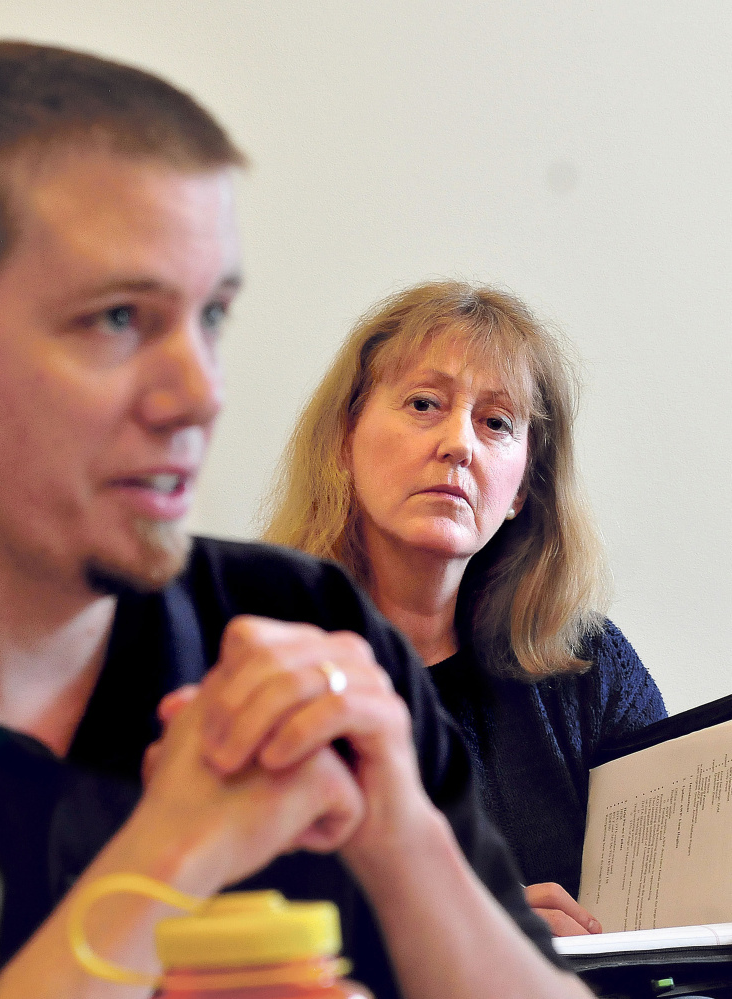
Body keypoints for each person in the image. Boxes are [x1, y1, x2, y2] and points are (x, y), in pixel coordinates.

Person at [0, 43, 593, 999]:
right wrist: (168, 858)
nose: (199, 394)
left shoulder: (315, 628)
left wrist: (406, 845)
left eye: (212, 317)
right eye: (117, 318)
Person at [263, 280, 667, 937]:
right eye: (424, 403)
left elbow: (665, 916)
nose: (459, 444)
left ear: (520, 489)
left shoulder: (590, 665)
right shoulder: (261, 661)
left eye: (496, 422)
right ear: (344, 440)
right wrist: (471, 923)